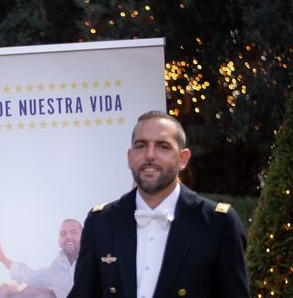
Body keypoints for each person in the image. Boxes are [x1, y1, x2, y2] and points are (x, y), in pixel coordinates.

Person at [68, 111, 250, 298]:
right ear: (130, 158)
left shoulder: (218, 223)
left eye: (163, 147)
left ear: (183, 159)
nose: (150, 155)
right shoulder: (101, 222)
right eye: (141, 146)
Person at [0, 218, 83, 298]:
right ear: (59, 242)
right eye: (63, 233)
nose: (68, 236)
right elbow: (30, 276)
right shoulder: (55, 269)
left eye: (73, 232)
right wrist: (3, 258)